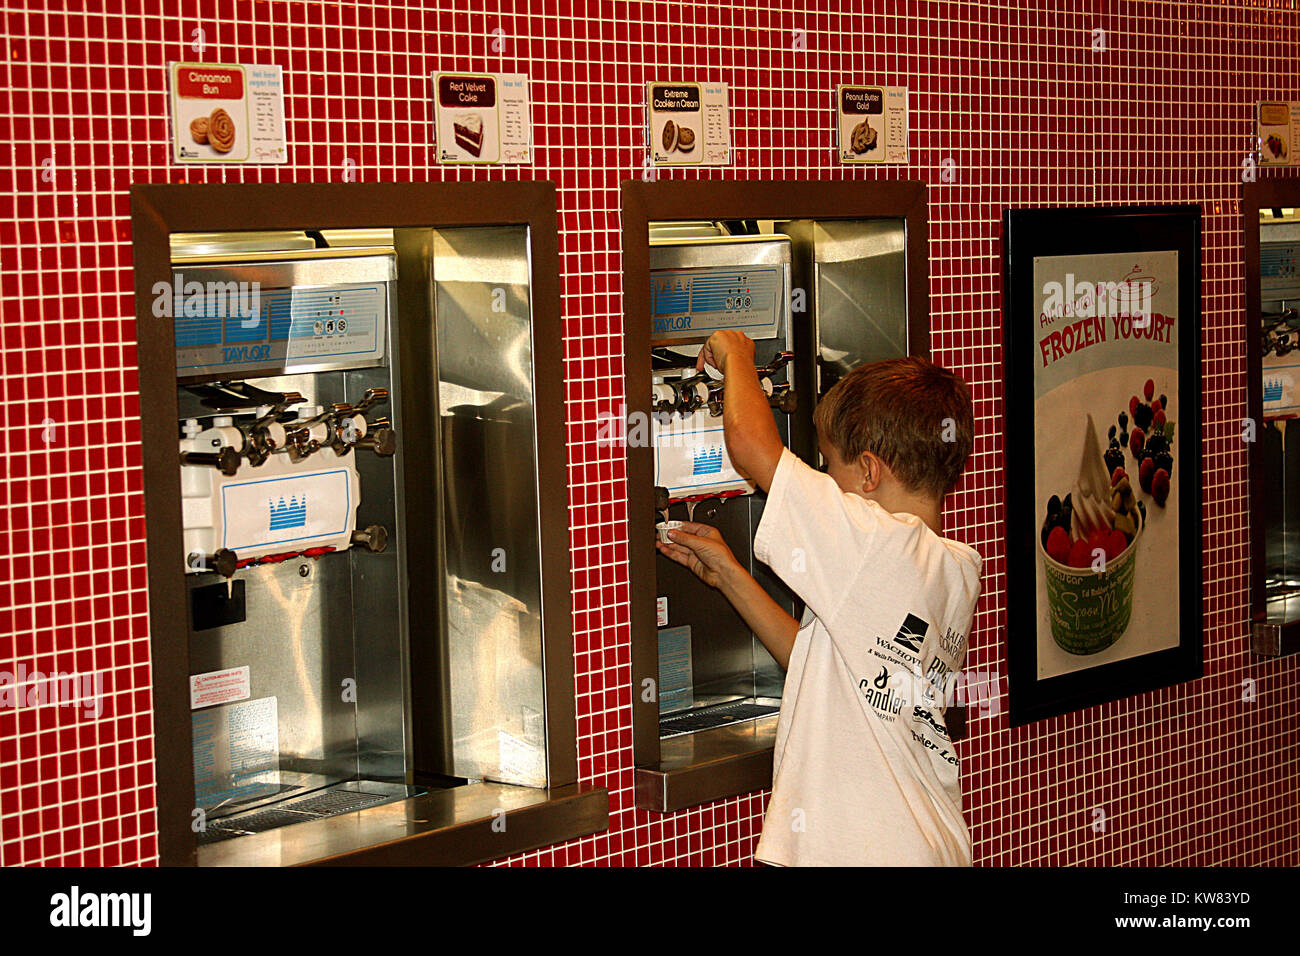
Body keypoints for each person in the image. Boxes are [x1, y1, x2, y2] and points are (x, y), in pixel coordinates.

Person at [656, 330, 982, 866]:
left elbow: (752, 448)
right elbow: (827, 663)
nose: (824, 477)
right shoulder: (949, 566)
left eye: (830, 464)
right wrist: (732, 576)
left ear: (871, 472)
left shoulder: (876, 543)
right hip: (925, 845)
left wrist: (737, 354)